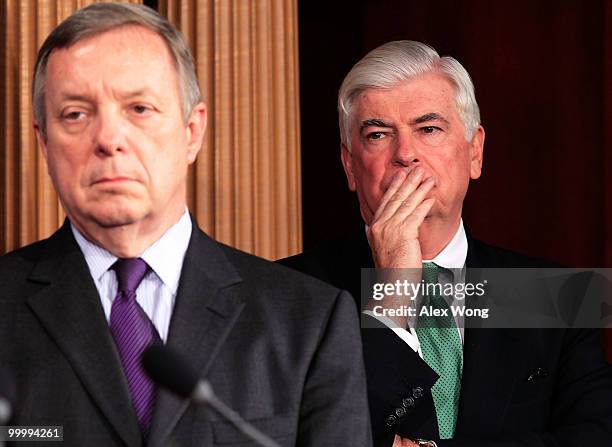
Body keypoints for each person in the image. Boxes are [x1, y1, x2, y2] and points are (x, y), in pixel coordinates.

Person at [0, 3, 372, 446]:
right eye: (76, 114)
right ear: (44, 142)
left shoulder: (308, 322)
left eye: (139, 108)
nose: (109, 140)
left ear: (192, 131)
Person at [280, 40, 612, 446]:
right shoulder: (286, 296)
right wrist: (392, 294)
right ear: (350, 166)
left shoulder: (559, 296)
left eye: (429, 129)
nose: (405, 154)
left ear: (475, 152)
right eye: (379, 134)